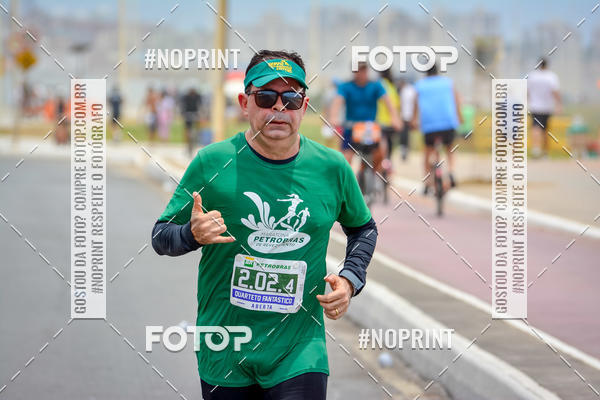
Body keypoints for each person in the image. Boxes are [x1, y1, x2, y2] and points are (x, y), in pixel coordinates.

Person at [151, 49, 378, 400]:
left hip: (299, 349)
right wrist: (190, 234)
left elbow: (363, 229)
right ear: (245, 103)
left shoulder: (332, 168)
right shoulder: (212, 163)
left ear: (304, 106)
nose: (279, 108)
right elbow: (160, 235)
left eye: (292, 98)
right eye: (267, 97)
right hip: (225, 345)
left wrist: (350, 280)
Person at [330, 62, 401, 166]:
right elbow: (337, 102)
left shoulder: (375, 86)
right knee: (344, 160)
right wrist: (333, 117)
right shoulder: (346, 87)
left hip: (371, 128)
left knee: (380, 154)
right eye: (358, 70)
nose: (361, 73)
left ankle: (376, 174)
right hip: (351, 128)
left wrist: (395, 118)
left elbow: (388, 102)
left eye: (363, 70)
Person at [412, 64, 462, 193]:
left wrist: (414, 120)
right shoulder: (448, 82)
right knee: (450, 148)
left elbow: (415, 105)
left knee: (427, 152)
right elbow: (456, 101)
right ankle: (451, 171)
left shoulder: (420, 85)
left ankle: (427, 181)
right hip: (447, 122)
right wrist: (459, 117)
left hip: (429, 125)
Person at [527, 58, 561, 158]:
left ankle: (536, 149)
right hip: (547, 107)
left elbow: (527, 91)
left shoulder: (532, 76)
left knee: (535, 127)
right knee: (545, 129)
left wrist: (526, 102)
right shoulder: (551, 76)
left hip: (534, 107)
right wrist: (559, 104)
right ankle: (545, 152)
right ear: (547, 65)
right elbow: (555, 92)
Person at [376, 68, 401, 163]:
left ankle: (383, 162)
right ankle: (388, 163)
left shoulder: (378, 84)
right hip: (391, 121)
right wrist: (397, 119)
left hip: (379, 119)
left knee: (381, 143)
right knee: (389, 143)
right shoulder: (392, 86)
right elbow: (397, 104)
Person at [398, 78, 417, 161]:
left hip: (405, 116)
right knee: (407, 135)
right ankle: (406, 151)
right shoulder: (412, 89)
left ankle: (405, 151)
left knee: (404, 135)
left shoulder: (404, 91)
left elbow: (401, 104)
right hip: (410, 115)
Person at [180, 87, 203, 156]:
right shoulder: (186, 97)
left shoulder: (198, 96)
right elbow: (183, 106)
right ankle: (187, 143)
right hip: (188, 114)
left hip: (195, 114)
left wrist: (200, 114)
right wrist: (183, 114)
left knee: (197, 128)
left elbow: (200, 105)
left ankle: (196, 138)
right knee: (187, 130)